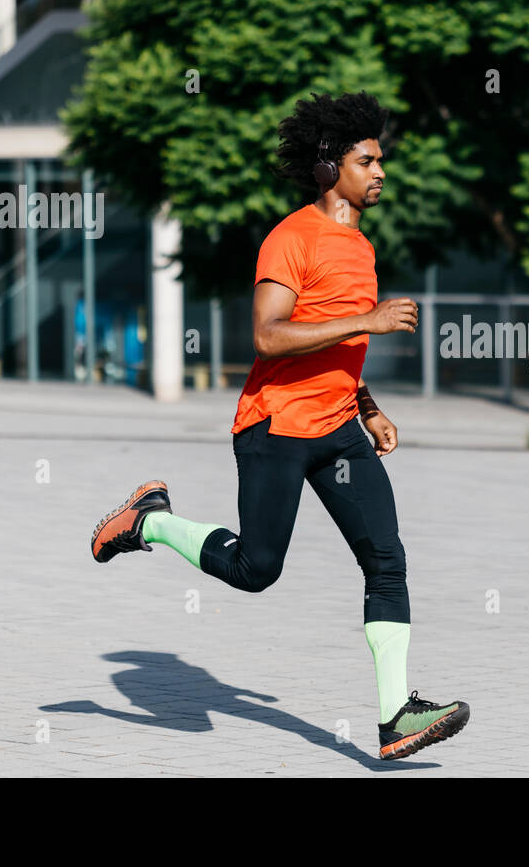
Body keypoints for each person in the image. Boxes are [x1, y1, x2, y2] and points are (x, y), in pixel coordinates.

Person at [90, 91, 469, 760]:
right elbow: (269, 336)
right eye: (367, 160)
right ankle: (148, 519)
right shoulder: (291, 238)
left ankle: (396, 717)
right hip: (277, 426)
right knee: (255, 568)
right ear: (330, 166)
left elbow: (339, 341)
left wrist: (370, 406)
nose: (381, 172)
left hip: (340, 428)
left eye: (381, 160)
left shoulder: (360, 246)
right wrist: (368, 321)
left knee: (386, 558)